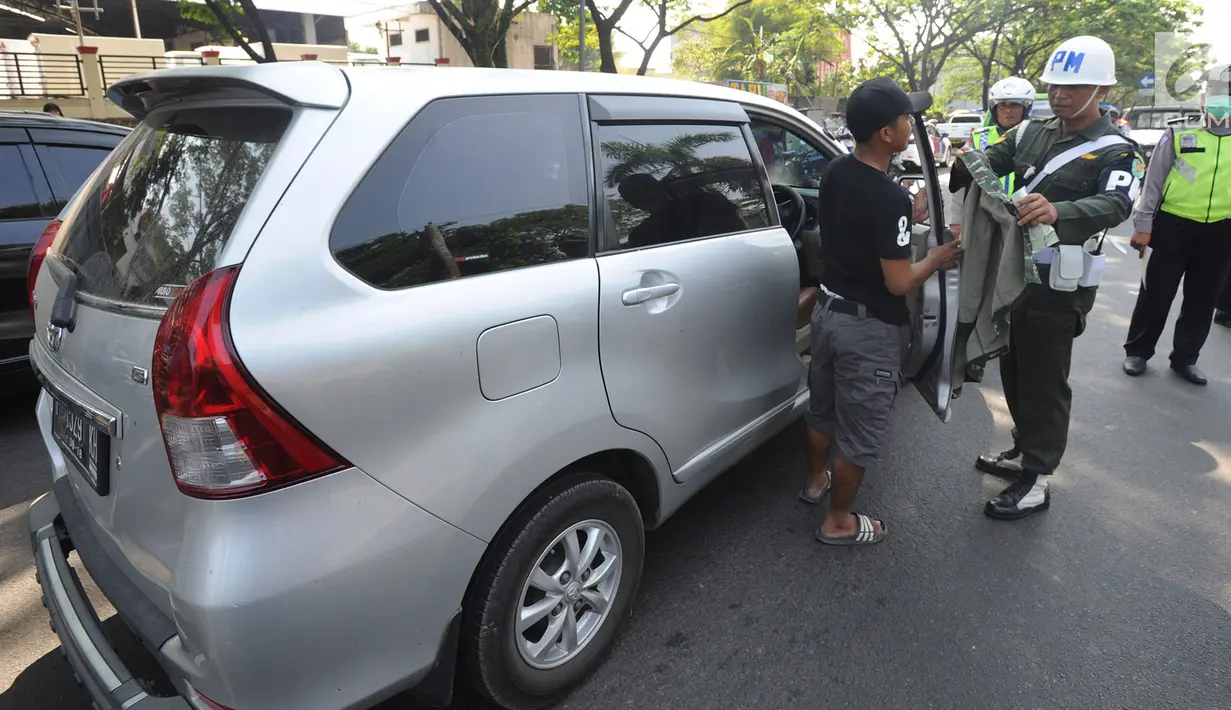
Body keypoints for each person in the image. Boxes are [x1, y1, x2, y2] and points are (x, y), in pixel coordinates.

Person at [950, 36, 1144, 520]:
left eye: (1074, 86)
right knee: (1012, 367)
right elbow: (989, 164)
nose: (1060, 94)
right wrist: (959, 168)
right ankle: (1024, 448)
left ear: (1101, 88)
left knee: (1045, 379)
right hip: (1014, 273)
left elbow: (1117, 204)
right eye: (1056, 84)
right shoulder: (1028, 133)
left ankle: (1038, 476)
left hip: (1061, 283)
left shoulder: (1116, 150)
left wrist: (1060, 210)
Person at [798, 76, 963, 546]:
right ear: (886, 134)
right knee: (860, 433)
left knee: (822, 410)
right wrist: (936, 258)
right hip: (866, 331)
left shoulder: (836, 171)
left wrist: (904, 217)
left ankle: (814, 483)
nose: (910, 127)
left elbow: (857, 227)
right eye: (904, 120)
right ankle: (839, 522)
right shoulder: (887, 195)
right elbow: (898, 280)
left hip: (828, 316)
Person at [1122, 64, 1231, 385]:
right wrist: (1143, 225)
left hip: (1221, 231)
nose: (1222, 99)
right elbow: (1152, 183)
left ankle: (1185, 359)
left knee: (1203, 297)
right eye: (1216, 92)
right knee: (1156, 292)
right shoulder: (1180, 133)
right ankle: (1138, 352)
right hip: (1172, 226)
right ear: (1203, 98)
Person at [946, 76, 1036, 240]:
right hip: (983, 217)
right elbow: (961, 184)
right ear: (994, 109)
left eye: (1015, 105)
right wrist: (956, 221)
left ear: (1026, 108)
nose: (1008, 110)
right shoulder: (979, 138)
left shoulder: (1038, 137)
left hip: (1024, 218)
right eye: (1002, 106)